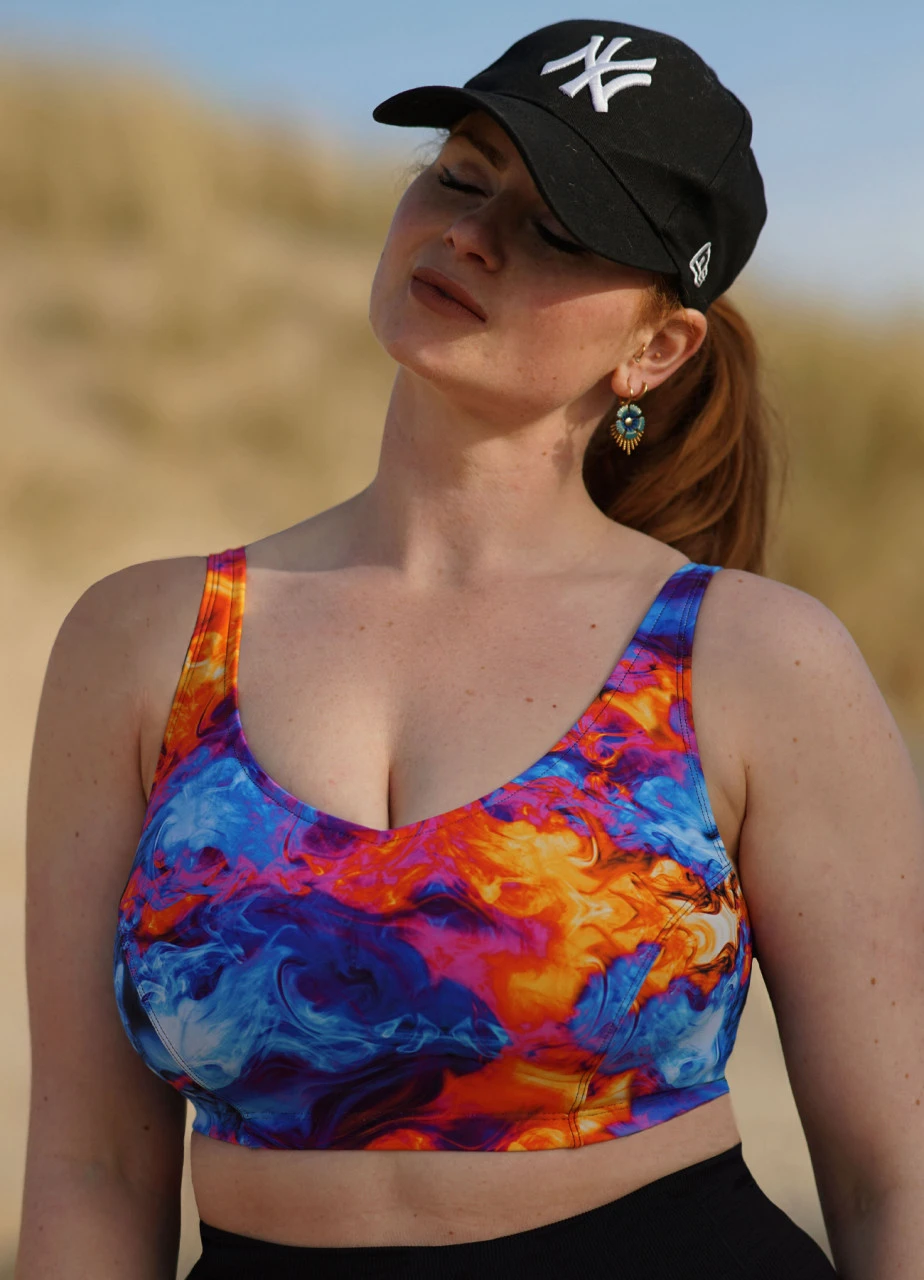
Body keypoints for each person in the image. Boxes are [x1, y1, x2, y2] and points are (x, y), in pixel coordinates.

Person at [16, 17, 923, 1280]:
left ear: (656, 347)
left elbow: (895, 1176)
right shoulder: (146, 639)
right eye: (461, 173)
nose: (475, 234)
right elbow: (91, 1168)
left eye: (560, 230)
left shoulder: (755, 657)